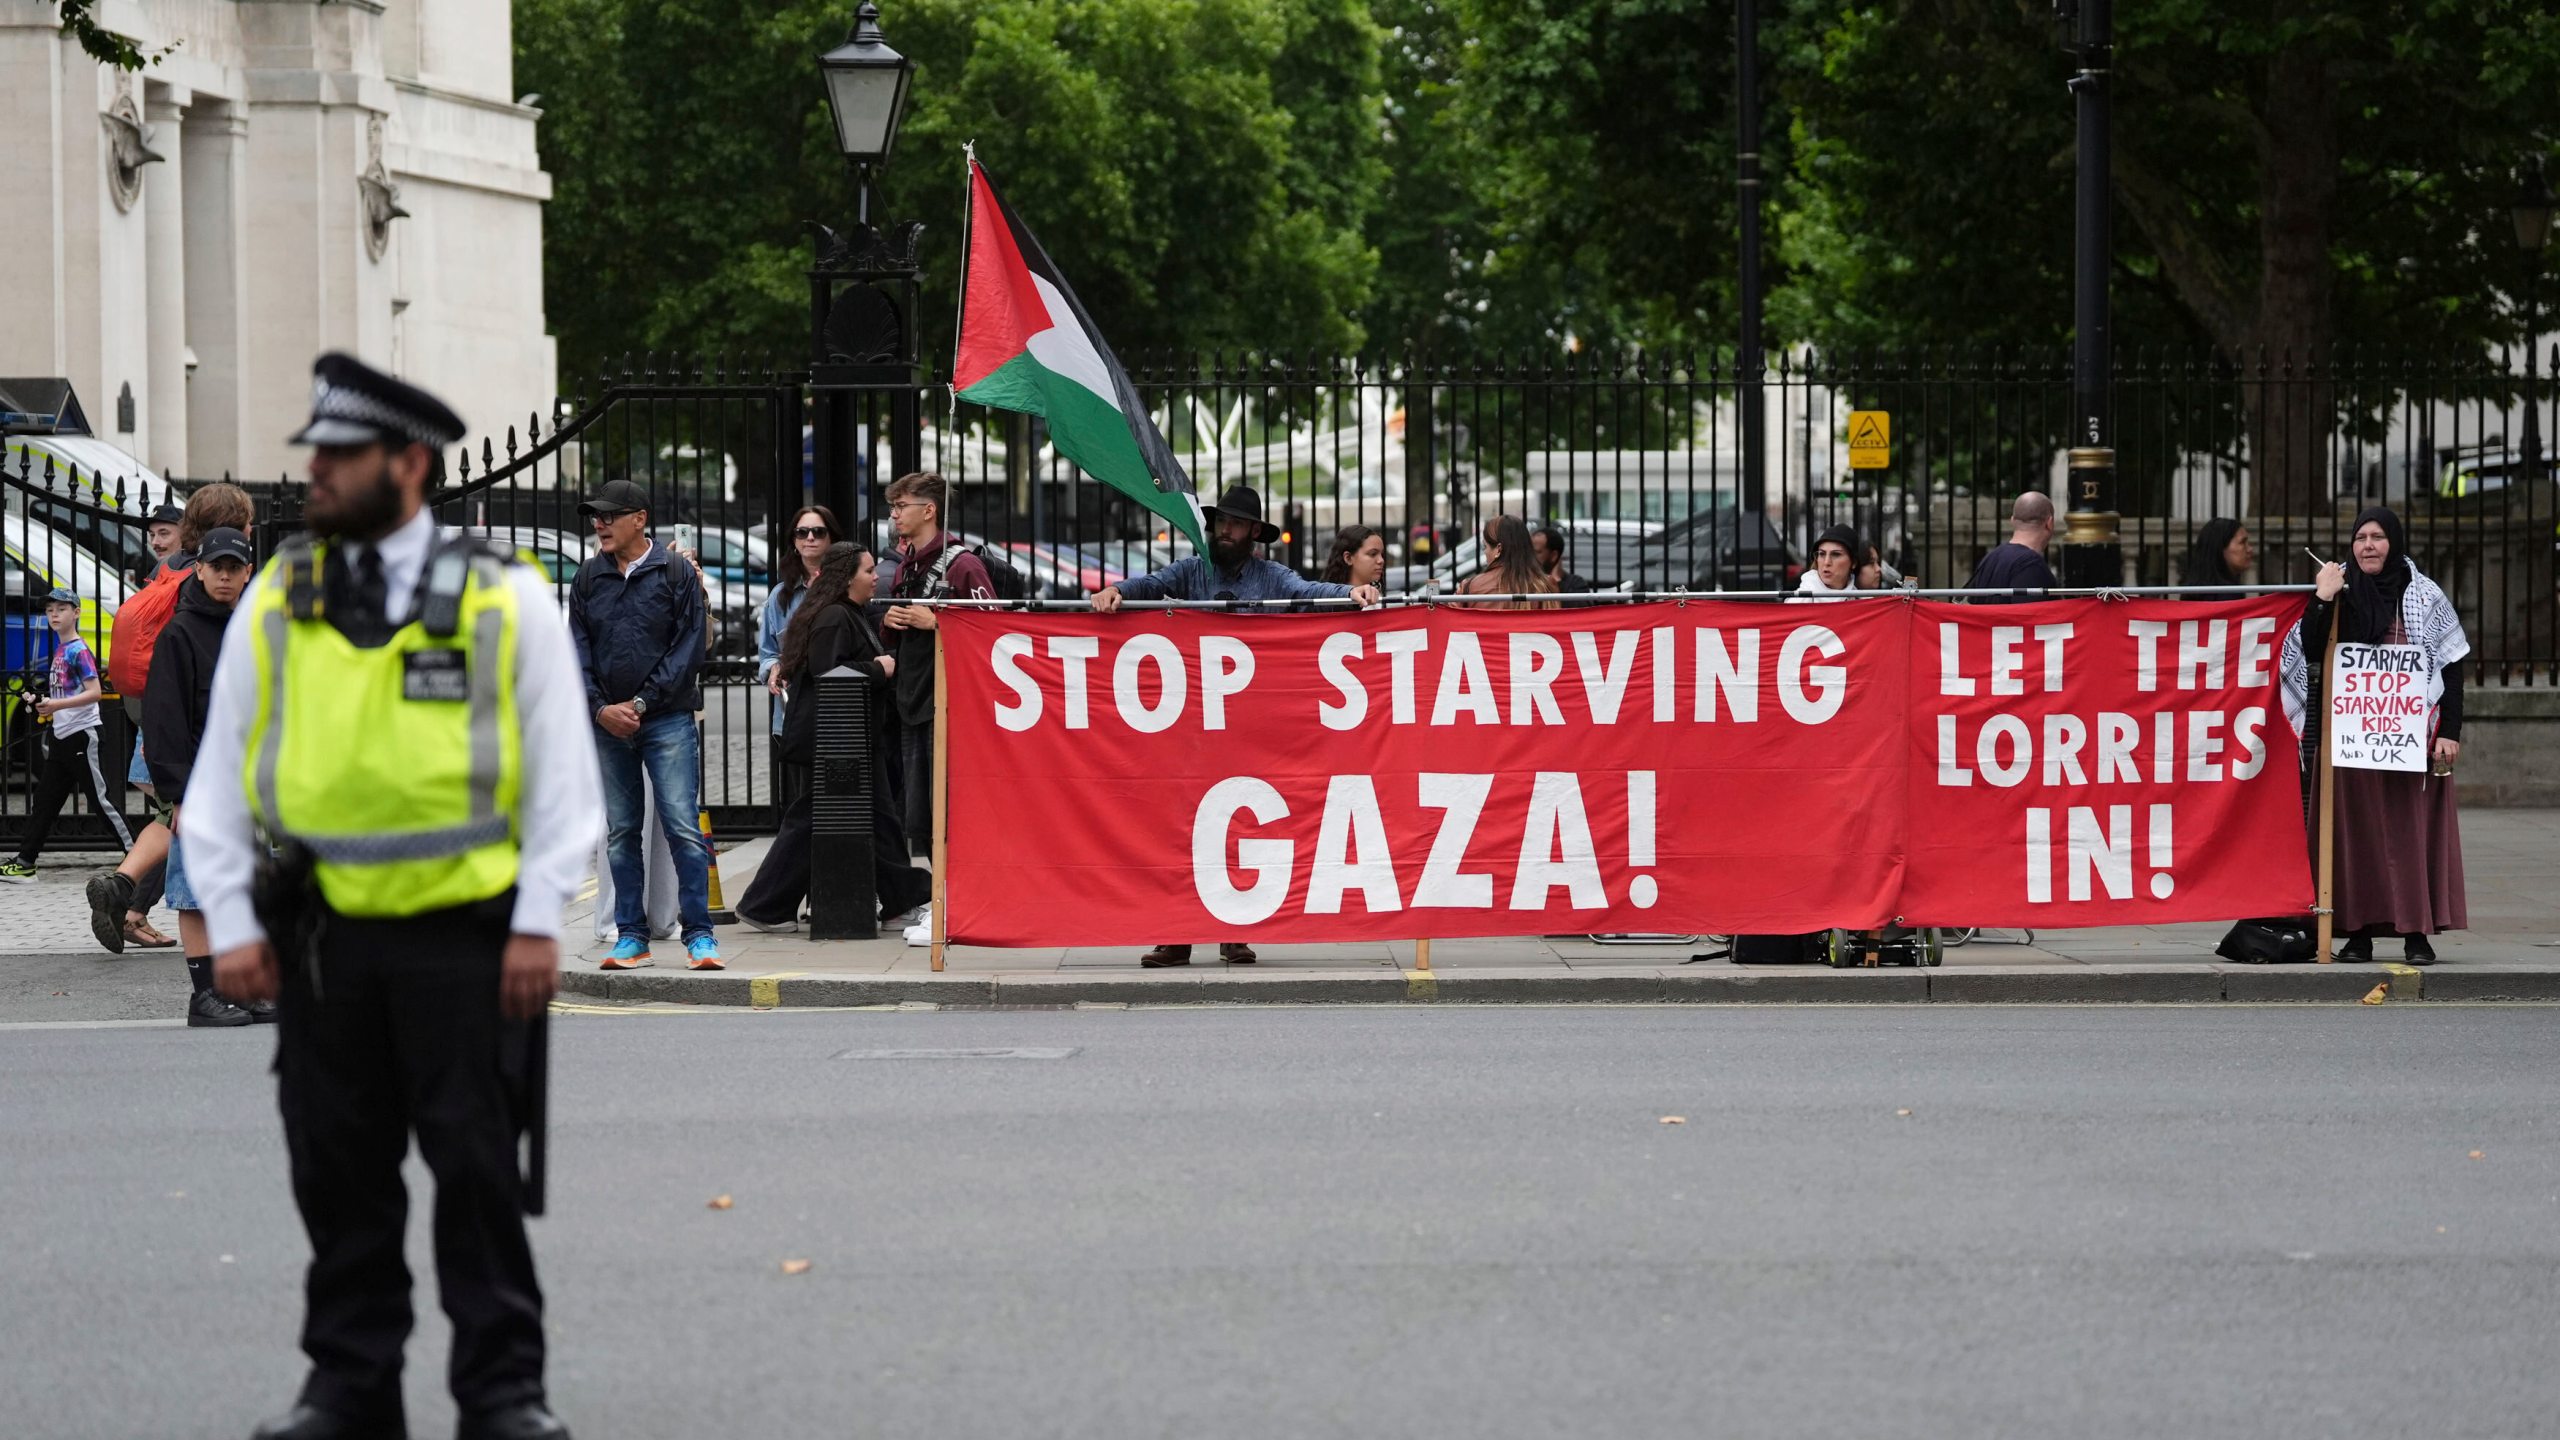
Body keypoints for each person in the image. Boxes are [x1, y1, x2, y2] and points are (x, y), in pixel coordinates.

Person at [194, 353, 595, 1440]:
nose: (314, 474)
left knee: (475, 1175)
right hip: (321, 943)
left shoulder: (501, 592)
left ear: (407, 465)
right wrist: (228, 922)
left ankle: (503, 1391)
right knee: (340, 1175)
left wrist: (535, 921)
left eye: (339, 457)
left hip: (466, 944)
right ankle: (348, 1387)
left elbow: (562, 776)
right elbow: (222, 773)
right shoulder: (280, 593)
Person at [1093, 484, 1381, 968]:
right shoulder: (1191, 570)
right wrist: (1116, 591)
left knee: (1241, 828)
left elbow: (1308, 593)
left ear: (1253, 532)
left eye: (1235, 524)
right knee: (1179, 828)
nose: (1224, 530)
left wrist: (1349, 593)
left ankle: (1235, 931)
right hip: (1191, 732)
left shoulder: (1271, 576)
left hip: (1249, 733)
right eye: (1220, 521)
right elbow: (1149, 582)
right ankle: (1176, 935)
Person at [2282, 506, 2468, 965]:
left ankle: (2415, 934)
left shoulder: (2425, 595)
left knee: (2410, 835)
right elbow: (2308, 647)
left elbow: (2453, 663)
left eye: (2378, 537)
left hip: (2410, 738)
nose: (2368, 545)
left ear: (2395, 542)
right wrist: (2323, 599)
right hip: (2351, 736)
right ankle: (2357, 933)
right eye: (2361, 537)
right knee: (2354, 836)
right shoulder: (2340, 588)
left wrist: (2451, 731)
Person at [89, 483, 256, 953]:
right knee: (182, 820)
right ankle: (133, 897)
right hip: (192, 734)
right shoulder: (208, 586)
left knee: (175, 817)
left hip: (161, 721)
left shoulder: (174, 571)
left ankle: (126, 889)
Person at [735, 543, 931, 932]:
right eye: (868, 571)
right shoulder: (834, 618)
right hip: (838, 742)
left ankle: (900, 901)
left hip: (852, 739)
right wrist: (879, 669)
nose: (876, 577)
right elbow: (831, 675)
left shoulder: (849, 614)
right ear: (846, 577)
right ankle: (764, 905)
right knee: (814, 822)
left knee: (877, 820)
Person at [570, 476, 720, 971]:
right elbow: (577, 650)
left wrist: (639, 703)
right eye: (596, 516)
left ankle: (700, 935)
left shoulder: (675, 572)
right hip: (607, 723)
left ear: (640, 519)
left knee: (681, 826)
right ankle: (631, 936)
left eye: (610, 515)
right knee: (620, 832)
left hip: (665, 719)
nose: (600, 523)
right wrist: (599, 709)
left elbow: (689, 648)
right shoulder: (588, 577)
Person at [140, 528, 260, 1025]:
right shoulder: (180, 633)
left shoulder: (254, 629)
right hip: (200, 785)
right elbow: (165, 720)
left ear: (249, 573)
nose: (226, 576)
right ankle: (204, 994)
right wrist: (180, 796)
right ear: (201, 569)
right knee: (196, 888)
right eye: (218, 567)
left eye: (236, 568)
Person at [880, 472, 995, 941]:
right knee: (922, 816)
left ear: (929, 510)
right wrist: (893, 620)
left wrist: (938, 622)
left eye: (901, 505)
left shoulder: (962, 565)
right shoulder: (906, 564)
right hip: (913, 701)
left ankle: (958, 902)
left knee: (949, 811)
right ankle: (944, 899)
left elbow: (993, 630)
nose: (894, 514)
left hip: (947, 707)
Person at [0, 587, 132, 883]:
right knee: (45, 802)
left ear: (76, 612)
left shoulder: (78, 650)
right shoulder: (61, 650)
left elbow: (95, 692)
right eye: (50, 610)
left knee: (101, 801)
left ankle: (136, 856)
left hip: (83, 736)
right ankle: (25, 863)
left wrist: (56, 704)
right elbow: (66, 692)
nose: (54, 614)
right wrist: (41, 701)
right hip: (62, 736)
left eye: (61, 608)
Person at [757, 505, 842, 812]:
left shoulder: (847, 588)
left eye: (818, 532)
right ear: (793, 540)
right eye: (802, 532)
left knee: (840, 805)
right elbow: (766, 654)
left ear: (831, 538)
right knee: (802, 803)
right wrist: (774, 668)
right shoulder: (781, 596)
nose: (810, 539)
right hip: (795, 716)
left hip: (840, 713)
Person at [1963, 492, 2057, 602]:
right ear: (2049, 523)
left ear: (2012, 520)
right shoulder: (2031, 566)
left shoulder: (1990, 558)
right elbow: (2029, 616)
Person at [1456, 515, 1560, 610]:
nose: (1485, 552)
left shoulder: (1469, 587)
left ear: (1498, 549)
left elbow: (1449, 623)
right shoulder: (1546, 585)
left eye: (1485, 547)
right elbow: (1555, 626)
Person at [2182, 516, 2255, 597]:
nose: (2250, 549)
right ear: (2221, 548)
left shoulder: (2192, 590)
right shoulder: (2229, 593)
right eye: (2242, 542)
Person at [1792, 524, 1865, 601]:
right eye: (1822, 554)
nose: (1826, 562)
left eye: (1836, 554)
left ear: (1853, 562)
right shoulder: (1799, 602)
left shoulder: (1862, 603)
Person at [1528, 523, 1593, 594]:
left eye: (1537, 552)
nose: (1531, 556)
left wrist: (1555, 582)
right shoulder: (1526, 582)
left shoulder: (1576, 584)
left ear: (1553, 556)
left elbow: (1581, 604)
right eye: (1530, 551)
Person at [1322, 524, 1387, 589]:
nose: (1381, 560)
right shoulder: (1330, 597)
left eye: (1382, 554)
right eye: (1373, 554)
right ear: (1348, 558)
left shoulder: (1379, 597)